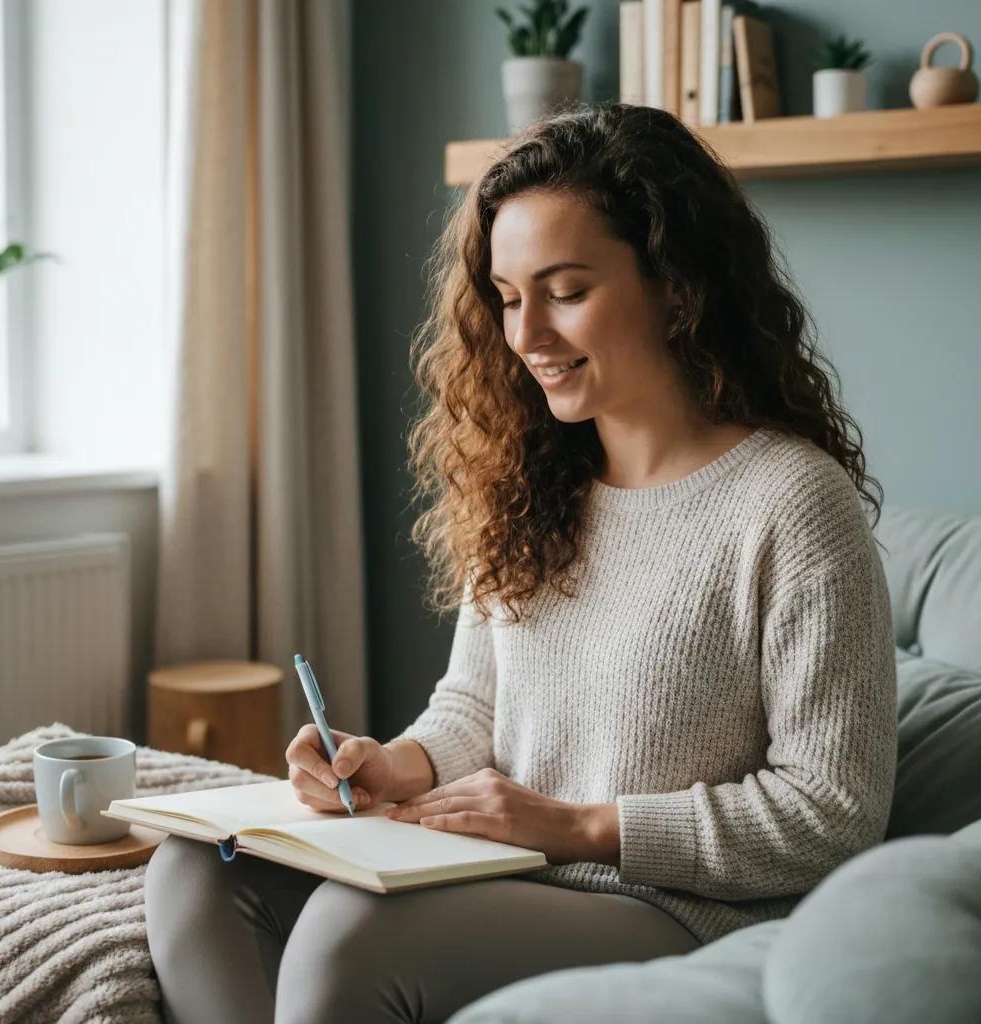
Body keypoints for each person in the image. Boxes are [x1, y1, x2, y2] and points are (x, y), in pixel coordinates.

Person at [144, 103, 897, 1024]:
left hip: (675, 908)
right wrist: (397, 766)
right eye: (507, 297)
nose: (527, 334)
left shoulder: (791, 503)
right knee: (195, 873)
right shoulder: (533, 482)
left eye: (566, 291)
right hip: (508, 869)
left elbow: (832, 811)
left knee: (350, 935)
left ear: (677, 286)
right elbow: (477, 707)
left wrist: (577, 826)